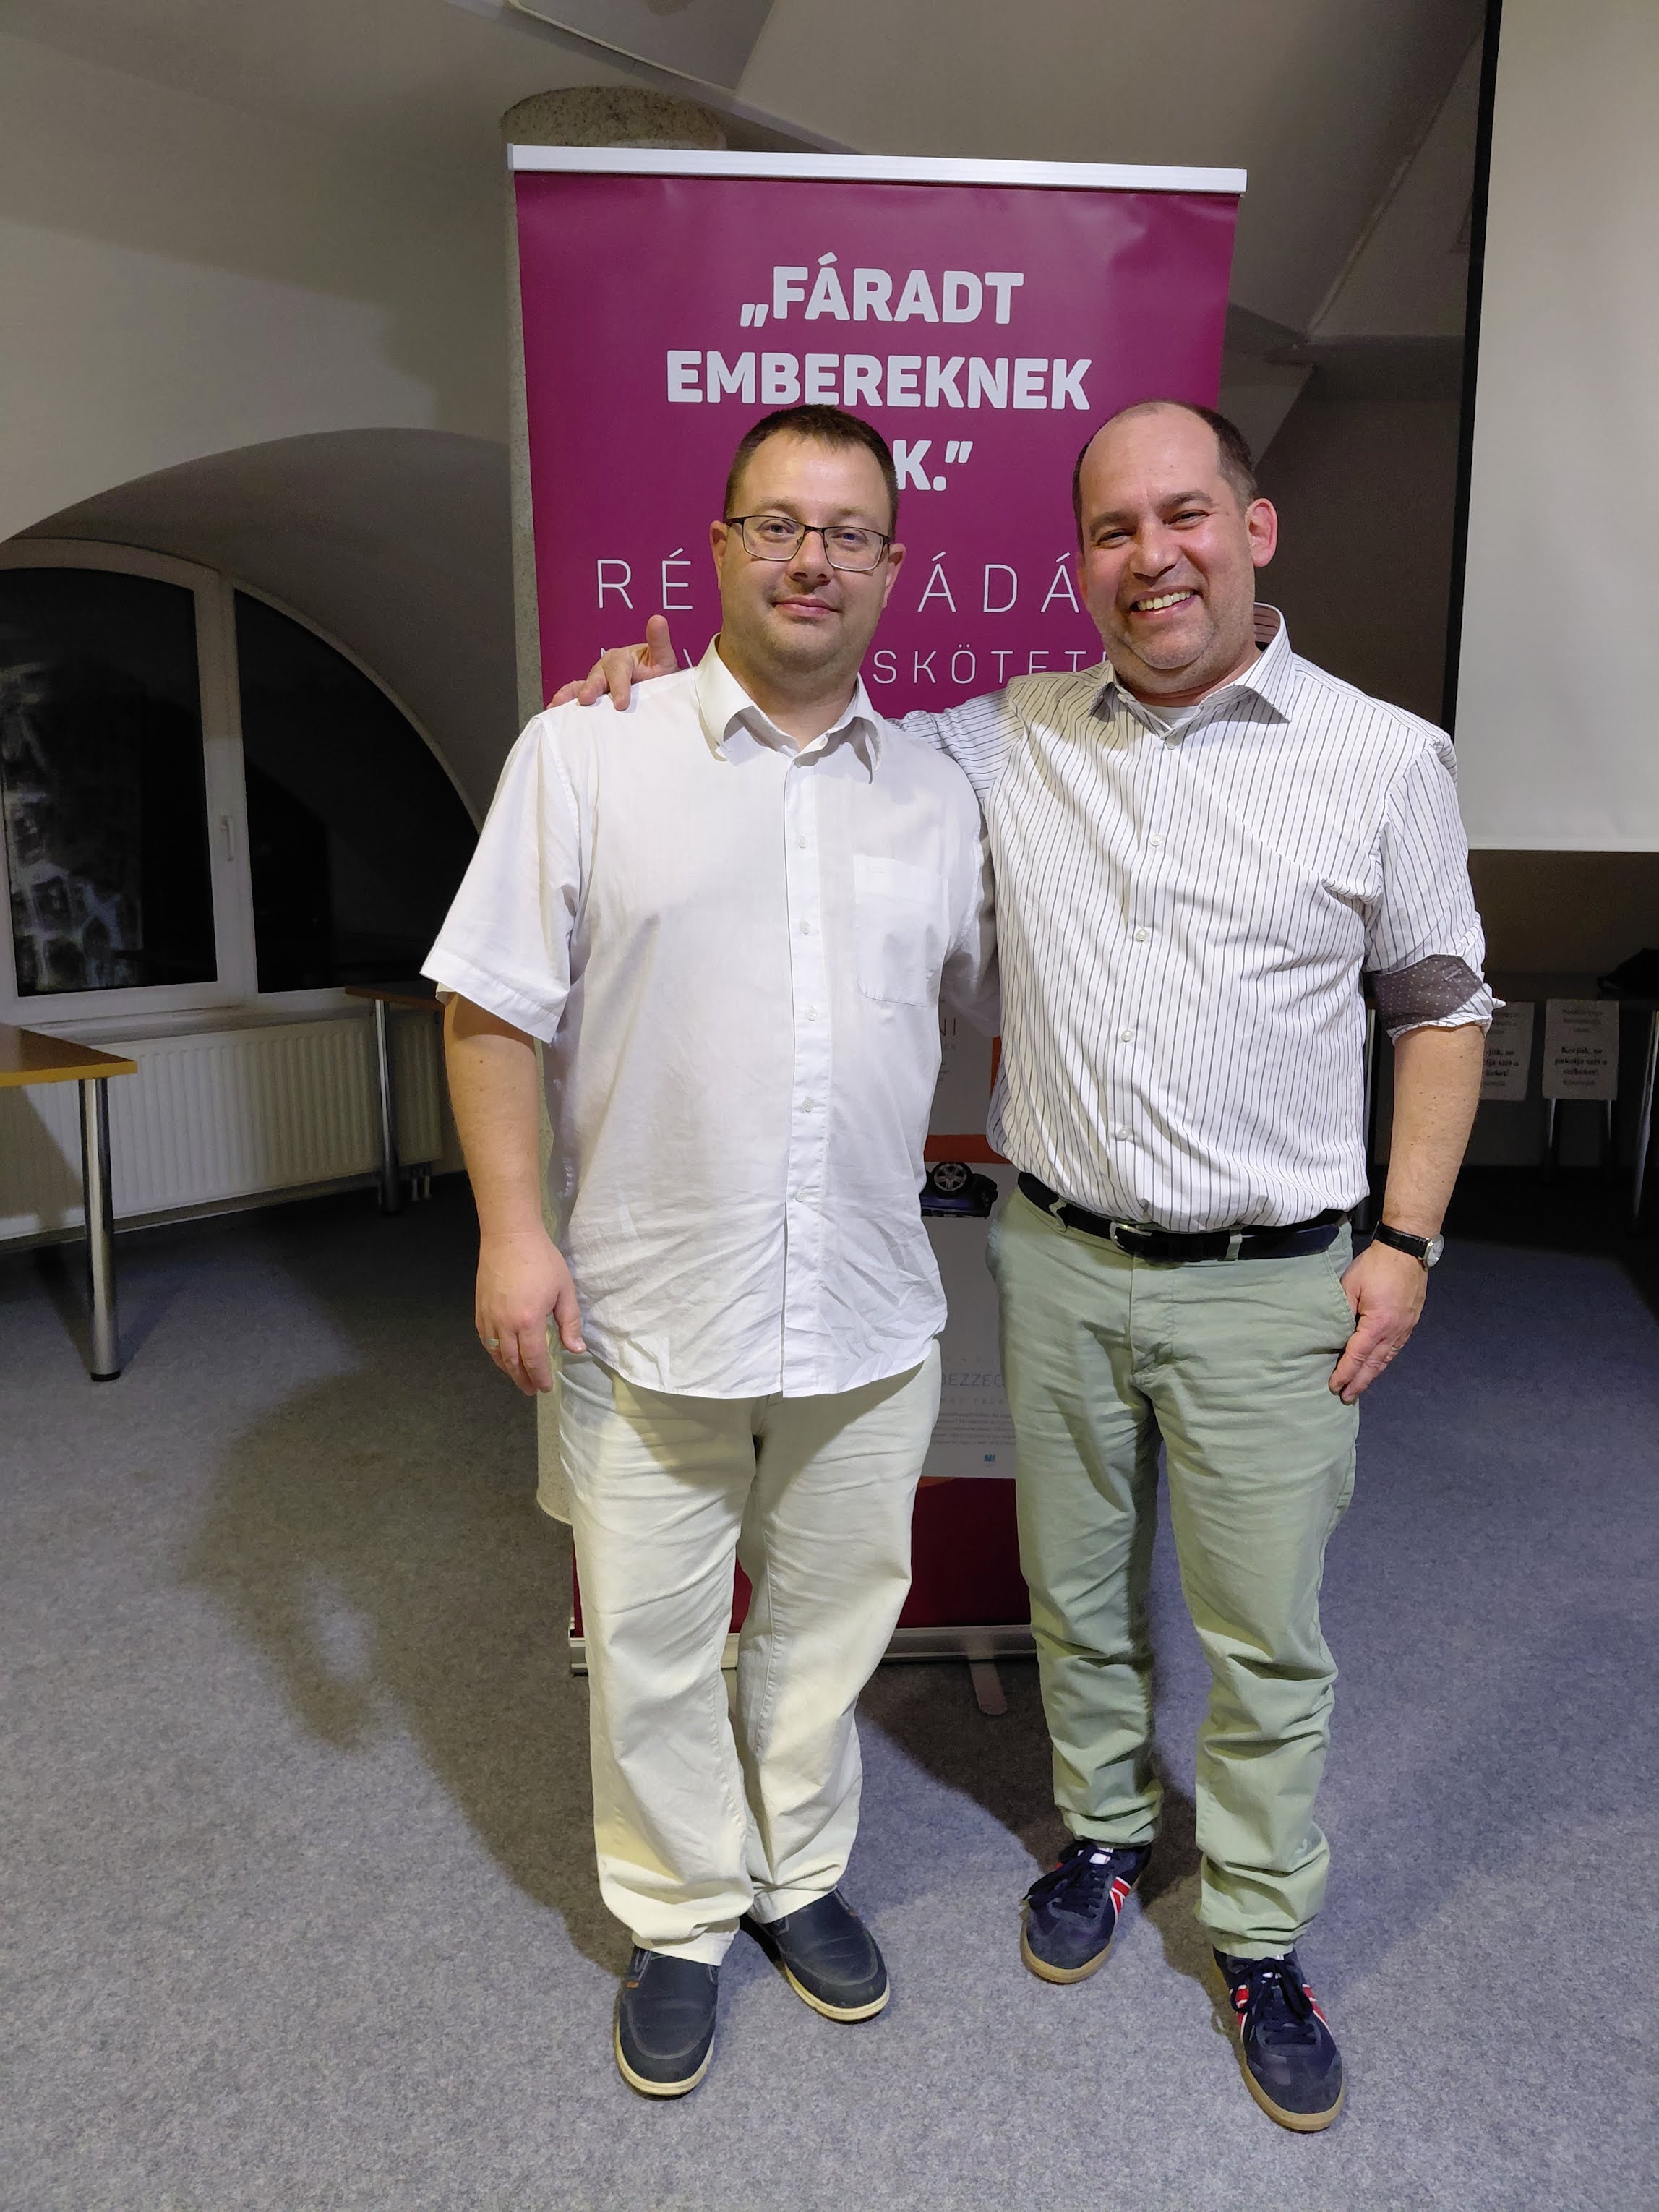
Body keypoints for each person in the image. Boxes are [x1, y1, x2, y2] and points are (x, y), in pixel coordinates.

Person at [553, 398, 1491, 2132]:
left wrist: (1405, 1242)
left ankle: (1259, 1933)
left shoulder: (1382, 758)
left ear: (1253, 530)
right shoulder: (1001, 739)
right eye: (1112, 530)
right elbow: (801, 730)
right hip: (1054, 1259)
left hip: (1274, 1282)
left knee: (1263, 1636)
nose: (1151, 557)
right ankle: (1107, 1841)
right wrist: (649, 697)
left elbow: (1439, 1010)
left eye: (1183, 515)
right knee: (1076, 1600)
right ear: (1078, 564)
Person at [424, 404, 995, 2099]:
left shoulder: (944, 793)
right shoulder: (587, 753)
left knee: (827, 1629)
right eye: (778, 526)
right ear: (721, 547)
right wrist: (511, 1232)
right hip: (643, 1299)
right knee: (651, 1643)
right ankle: (678, 1913)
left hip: (866, 1314)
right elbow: (487, 1008)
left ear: (893, 566)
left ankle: (794, 1875)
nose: (812, 559)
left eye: (847, 532)